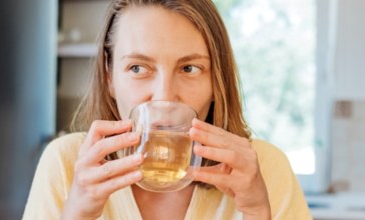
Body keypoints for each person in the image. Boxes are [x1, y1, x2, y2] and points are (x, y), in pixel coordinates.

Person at [23, 0, 311, 219]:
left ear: (216, 81)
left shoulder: (264, 168)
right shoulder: (65, 163)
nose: (165, 97)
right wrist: (76, 213)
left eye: (189, 68)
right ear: (110, 78)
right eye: (138, 68)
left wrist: (258, 211)